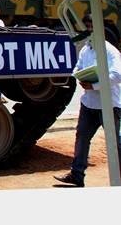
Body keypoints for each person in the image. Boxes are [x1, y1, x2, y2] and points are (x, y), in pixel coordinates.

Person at [54, 16, 121, 187]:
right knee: (82, 138)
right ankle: (77, 175)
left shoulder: (109, 50)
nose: (90, 29)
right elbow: (78, 67)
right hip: (89, 104)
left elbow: (117, 75)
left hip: (109, 105)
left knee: (115, 143)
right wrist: (79, 76)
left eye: (93, 26)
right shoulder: (86, 49)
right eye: (88, 26)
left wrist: (95, 85)